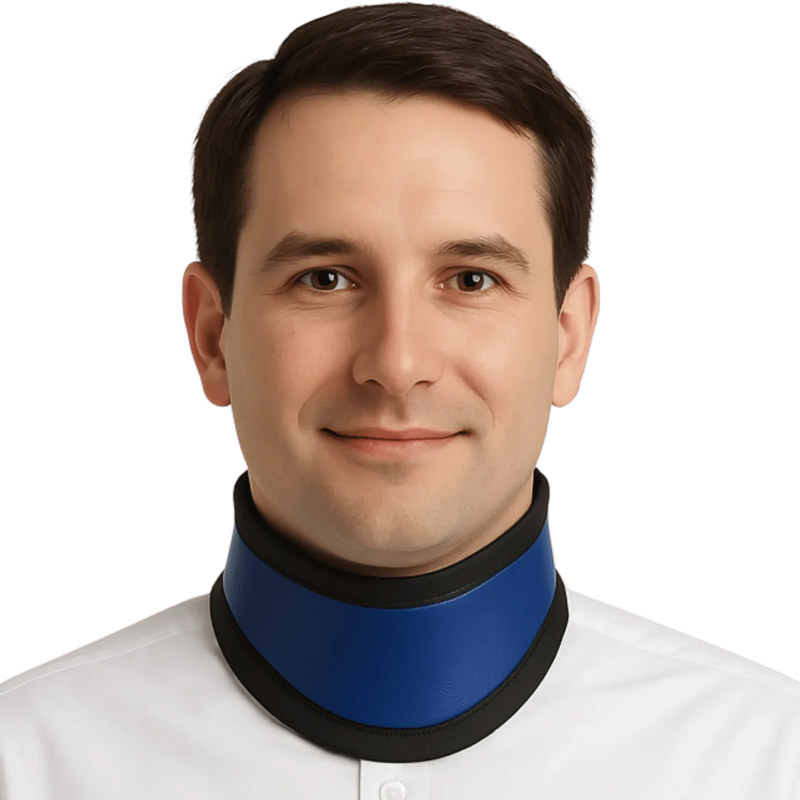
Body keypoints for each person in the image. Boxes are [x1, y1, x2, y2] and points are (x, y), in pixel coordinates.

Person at [1, 3, 798, 798]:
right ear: (213, 335)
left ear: (568, 337)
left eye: (471, 280)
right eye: (325, 279)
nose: (397, 363)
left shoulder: (767, 762)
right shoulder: (26, 762)